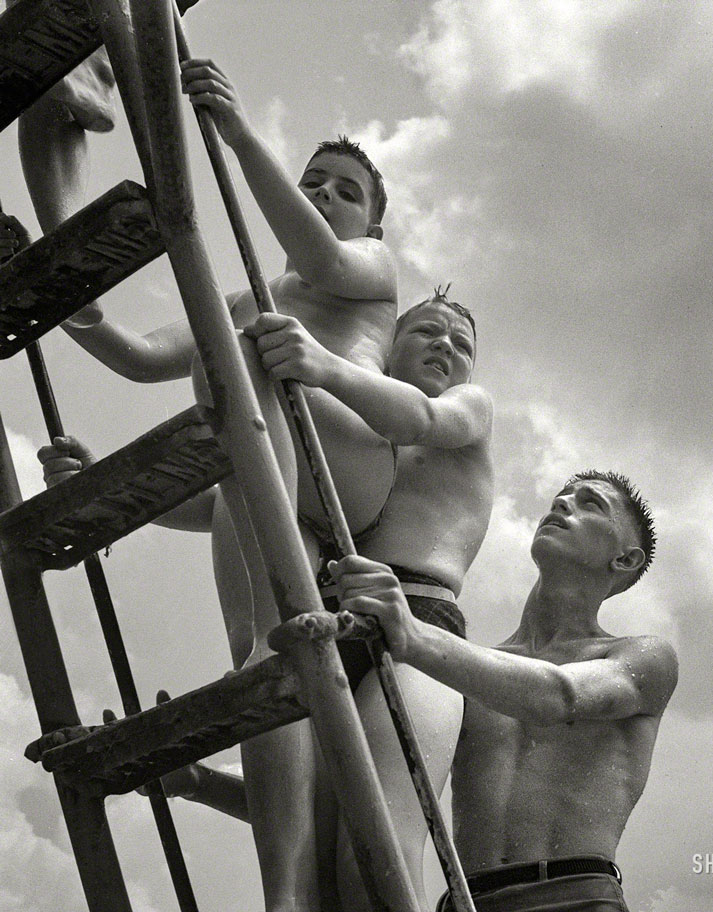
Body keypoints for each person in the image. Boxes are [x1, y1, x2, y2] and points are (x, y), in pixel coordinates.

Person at [23, 56, 398, 912]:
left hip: (348, 458)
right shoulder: (251, 296)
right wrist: (115, 488)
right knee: (263, 661)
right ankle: (286, 894)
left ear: (372, 221)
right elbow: (135, 354)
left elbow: (321, 254)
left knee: (251, 353)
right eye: (317, 183)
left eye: (346, 190)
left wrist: (234, 130)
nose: (328, 197)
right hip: (270, 469)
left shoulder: (371, 269)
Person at [38, 286, 494, 911]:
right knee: (318, 841)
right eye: (425, 332)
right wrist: (114, 494)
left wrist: (320, 365)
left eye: (460, 344)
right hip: (334, 618)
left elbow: (426, 417)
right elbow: (244, 495)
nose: (444, 345)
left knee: (378, 850)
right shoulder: (362, 440)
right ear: (387, 349)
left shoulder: (465, 412)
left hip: (419, 626)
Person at [157, 472, 676, 911]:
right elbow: (357, 804)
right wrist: (198, 782)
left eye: (591, 504)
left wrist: (415, 633)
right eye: (563, 495)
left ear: (625, 561)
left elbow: (560, 696)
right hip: (465, 900)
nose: (564, 502)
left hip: (575, 898)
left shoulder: (641, 657)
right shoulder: (466, 677)